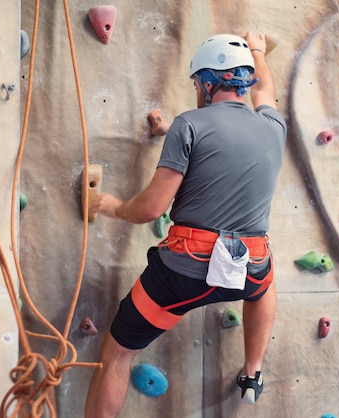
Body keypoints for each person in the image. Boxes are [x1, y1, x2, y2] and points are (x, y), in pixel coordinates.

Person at [85, 31, 287, 417]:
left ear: (209, 82)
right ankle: (253, 371)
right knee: (264, 283)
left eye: (197, 82)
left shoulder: (189, 124)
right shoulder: (273, 126)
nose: (196, 90)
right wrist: (257, 49)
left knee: (117, 352)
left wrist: (113, 206)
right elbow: (267, 89)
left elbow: (150, 209)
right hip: (250, 269)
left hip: (187, 272)